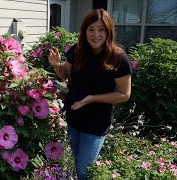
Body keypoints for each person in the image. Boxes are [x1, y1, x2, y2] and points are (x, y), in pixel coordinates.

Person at [48, 8, 132, 180]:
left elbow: (124, 94)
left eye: (101, 29)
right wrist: (57, 66)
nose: (96, 35)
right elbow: (65, 74)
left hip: (96, 123)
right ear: (84, 31)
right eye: (91, 29)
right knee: (79, 164)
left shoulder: (118, 58)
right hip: (74, 117)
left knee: (84, 172)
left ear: (108, 31)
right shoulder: (77, 50)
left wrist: (92, 99)